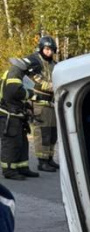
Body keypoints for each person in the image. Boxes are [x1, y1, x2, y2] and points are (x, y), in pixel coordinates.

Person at [0, 55, 41, 180]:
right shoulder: (14, 73)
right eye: (33, 73)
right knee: (11, 142)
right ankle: (9, 170)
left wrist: (26, 104)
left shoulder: (17, 73)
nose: (32, 76)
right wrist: (31, 94)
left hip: (16, 115)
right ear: (29, 69)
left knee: (21, 142)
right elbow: (15, 91)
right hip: (8, 115)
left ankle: (22, 167)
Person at [24, 36, 59, 172]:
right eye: (46, 49)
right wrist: (52, 86)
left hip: (51, 104)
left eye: (51, 49)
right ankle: (42, 161)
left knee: (52, 133)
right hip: (39, 103)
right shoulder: (35, 61)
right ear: (41, 48)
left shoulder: (54, 64)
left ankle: (49, 158)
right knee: (42, 132)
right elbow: (36, 80)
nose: (49, 52)